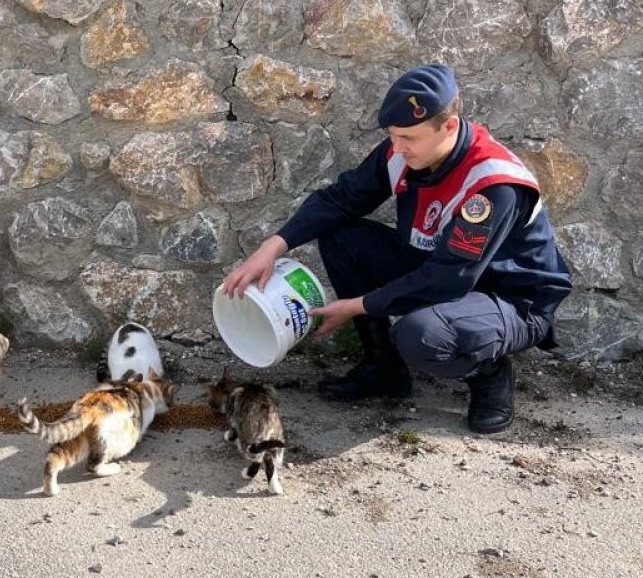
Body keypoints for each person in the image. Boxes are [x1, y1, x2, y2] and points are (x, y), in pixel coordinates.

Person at [221, 64, 572, 434]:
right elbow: (342, 199)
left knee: (420, 334)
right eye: (392, 135)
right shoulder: (401, 153)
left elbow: (449, 280)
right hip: (440, 267)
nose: (398, 147)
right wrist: (272, 247)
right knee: (342, 237)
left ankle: (489, 372)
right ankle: (383, 368)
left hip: (509, 300)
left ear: (449, 126)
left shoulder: (492, 184)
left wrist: (357, 305)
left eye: (409, 137)